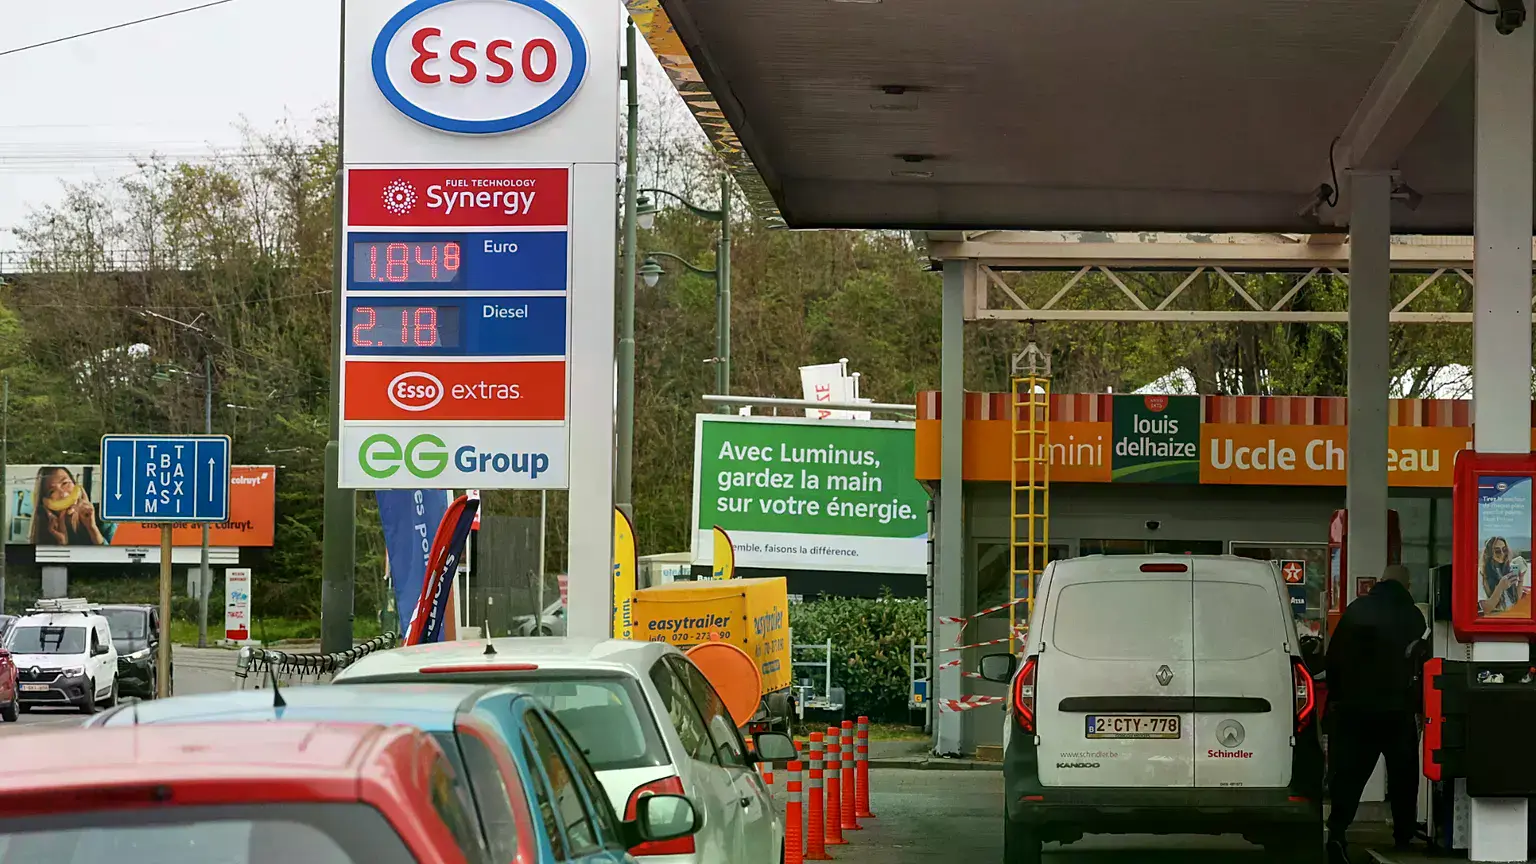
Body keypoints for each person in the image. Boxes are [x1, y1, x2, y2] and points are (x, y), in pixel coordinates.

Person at [1324, 564, 1430, 863]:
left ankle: (1337, 829)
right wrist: (1419, 707)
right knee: (1403, 776)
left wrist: (1338, 698)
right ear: (1407, 586)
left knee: (1350, 773)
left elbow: (1334, 659)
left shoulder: (1357, 610)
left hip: (1355, 710)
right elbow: (1420, 665)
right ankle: (1403, 835)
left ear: (1381, 581)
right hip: (1397, 711)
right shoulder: (1413, 616)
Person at [28, 466, 106, 546]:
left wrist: (92, 528)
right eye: (51, 492)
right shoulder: (44, 533)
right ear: (46, 504)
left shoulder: (103, 516)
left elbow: (114, 556)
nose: (63, 494)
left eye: (65, 483)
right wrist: (62, 544)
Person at [1478, 536, 1526, 616]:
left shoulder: (1509, 567)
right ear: (1489, 553)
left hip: (1513, 614)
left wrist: (1521, 580)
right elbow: (1486, 609)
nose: (1502, 554)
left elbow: (1516, 600)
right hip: (1497, 617)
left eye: (1504, 550)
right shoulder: (1482, 574)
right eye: (1497, 551)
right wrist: (1500, 587)